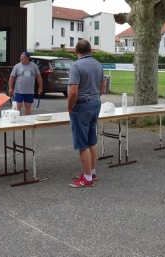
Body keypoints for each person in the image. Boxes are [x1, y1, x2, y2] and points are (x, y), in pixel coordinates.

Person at [67, 40, 105, 188]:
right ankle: (92, 172)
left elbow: (73, 91)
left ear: (76, 51)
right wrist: (96, 96)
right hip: (95, 102)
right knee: (91, 140)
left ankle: (87, 178)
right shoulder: (97, 64)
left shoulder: (76, 66)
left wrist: (70, 106)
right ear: (90, 50)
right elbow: (103, 85)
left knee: (82, 142)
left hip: (82, 105)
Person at [8, 51, 43, 115]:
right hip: (19, 91)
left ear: (28, 58)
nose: (22, 58)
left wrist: (40, 87)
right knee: (18, 106)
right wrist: (10, 88)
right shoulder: (17, 66)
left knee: (28, 106)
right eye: (21, 57)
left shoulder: (34, 66)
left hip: (29, 91)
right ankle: (17, 120)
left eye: (24, 57)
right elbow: (12, 77)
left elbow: (38, 77)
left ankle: (27, 120)